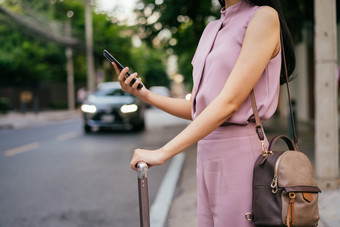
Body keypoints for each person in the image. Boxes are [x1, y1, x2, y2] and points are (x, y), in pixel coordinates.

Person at [113, 0, 295, 226]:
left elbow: (228, 104)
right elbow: (200, 110)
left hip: (239, 152)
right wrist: (144, 95)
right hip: (206, 152)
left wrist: (162, 152)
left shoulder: (263, 16)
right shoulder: (211, 29)